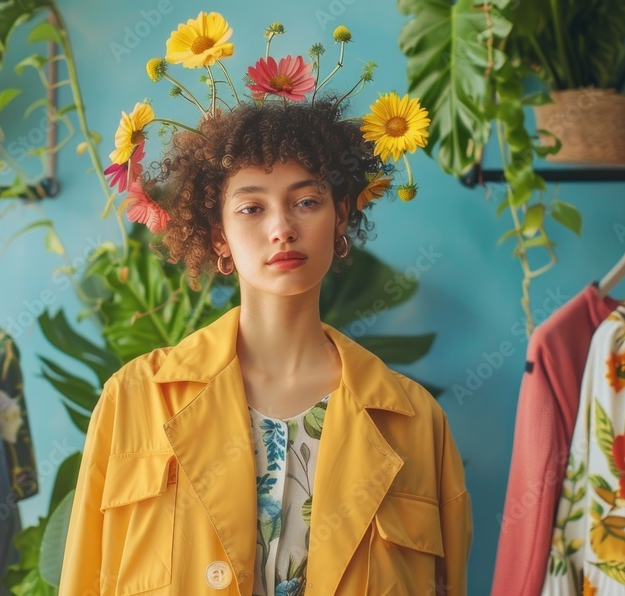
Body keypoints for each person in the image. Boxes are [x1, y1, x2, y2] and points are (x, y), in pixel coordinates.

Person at [59, 12, 470, 594]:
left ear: (342, 216)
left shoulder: (413, 422)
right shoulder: (133, 403)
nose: (282, 228)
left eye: (307, 201)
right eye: (252, 208)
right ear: (219, 235)